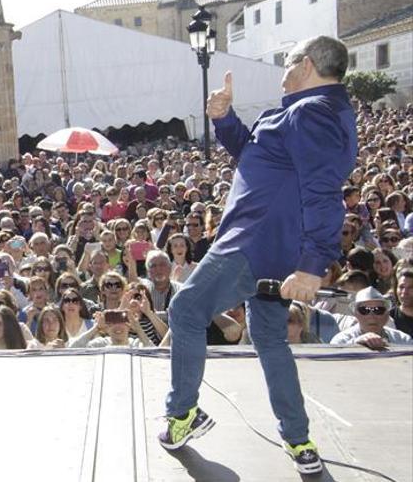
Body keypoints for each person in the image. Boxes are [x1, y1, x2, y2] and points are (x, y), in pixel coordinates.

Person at [160, 36, 357, 476]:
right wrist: (224, 119)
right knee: (269, 339)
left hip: (254, 242)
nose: (282, 72)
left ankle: (182, 414)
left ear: (306, 65)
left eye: (287, 64)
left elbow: (324, 192)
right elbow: (258, 158)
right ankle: (298, 439)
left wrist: (312, 264)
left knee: (187, 310)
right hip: (271, 247)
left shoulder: (312, 112)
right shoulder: (309, 111)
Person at [330, 287, 412, 349]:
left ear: (387, 314)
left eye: (378, 310)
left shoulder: (403, 340)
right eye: (364, 310)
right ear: (355, 314)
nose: (371, 316)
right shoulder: (341, 341)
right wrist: (355, 345)